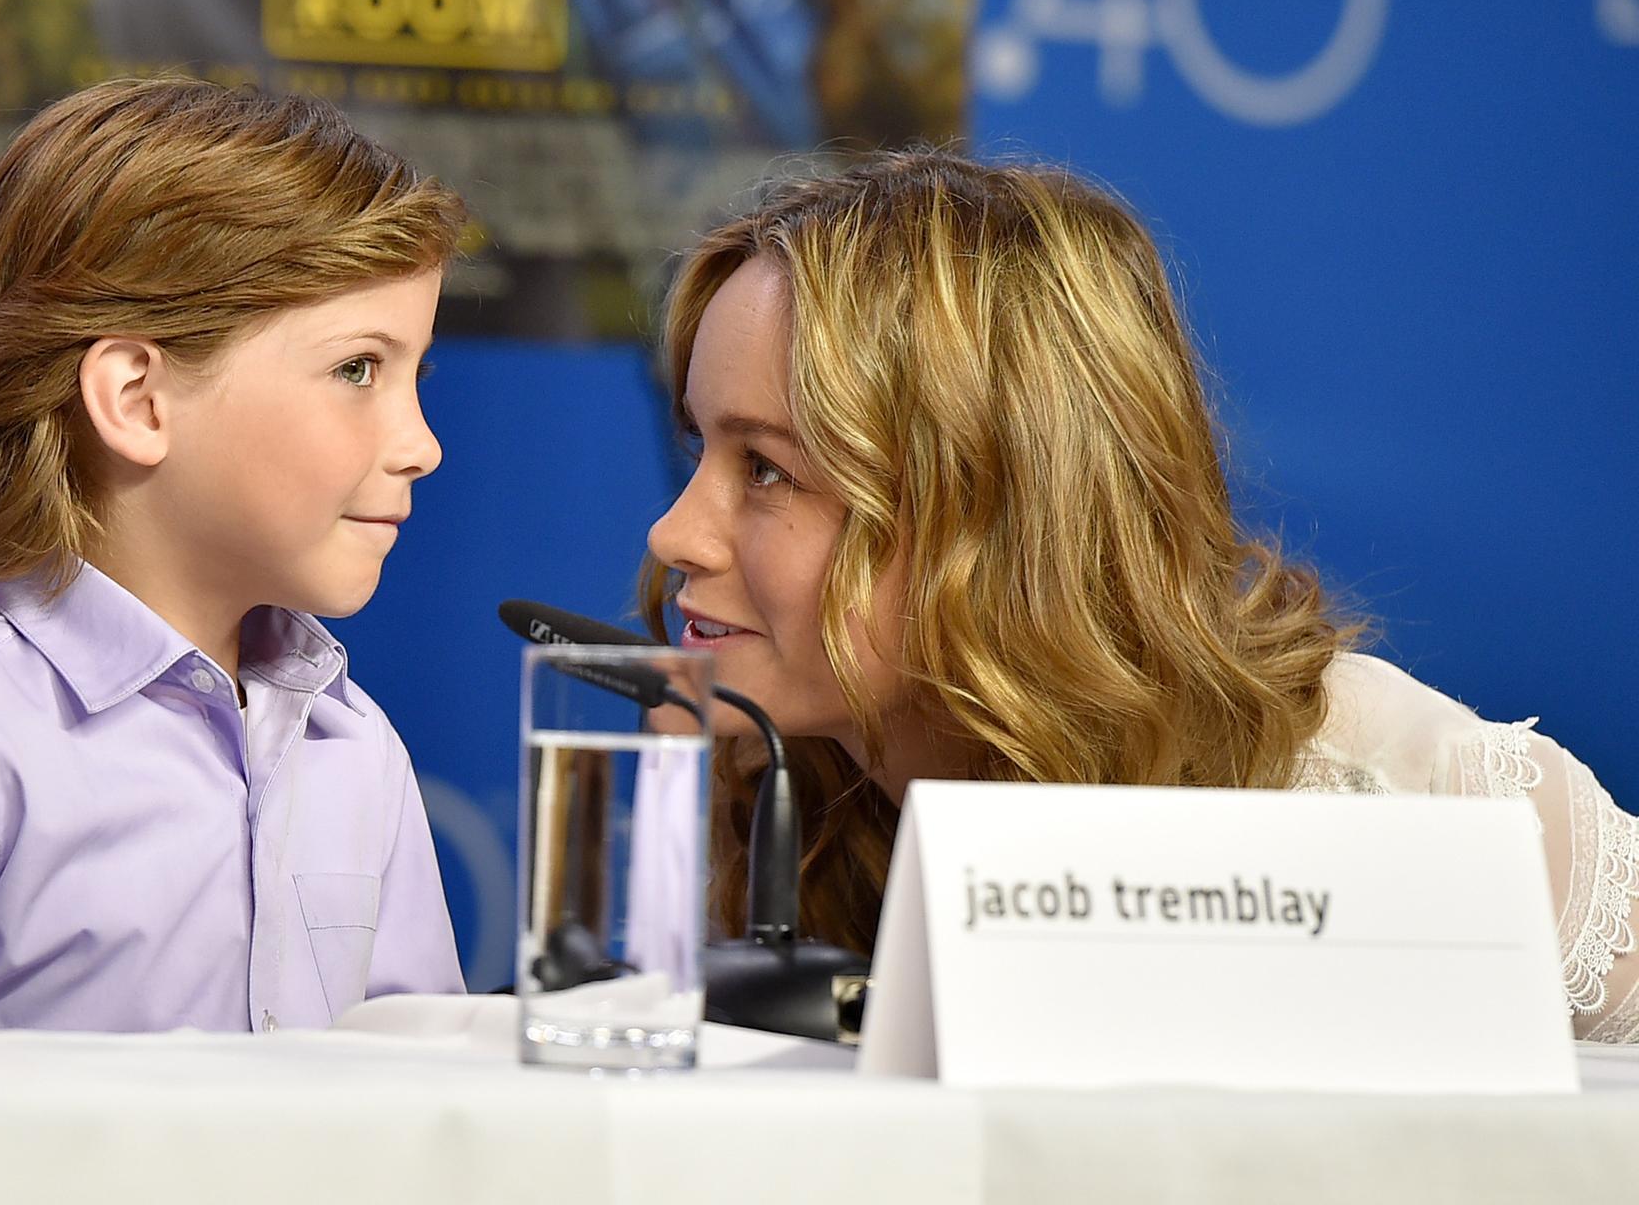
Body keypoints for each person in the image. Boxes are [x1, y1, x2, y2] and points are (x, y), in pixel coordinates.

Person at [641, 149, 1639, 1040]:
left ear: (998, 510)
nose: (673, 534)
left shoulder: (1430, 808)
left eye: (765, 469)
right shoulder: (790, 798)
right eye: (700, 450)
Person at [0, 78, 468, 1032]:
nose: (422, 444)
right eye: (357, 368)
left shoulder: (359, 754)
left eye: (414, 374)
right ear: (137, 399)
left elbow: (425, 1102)